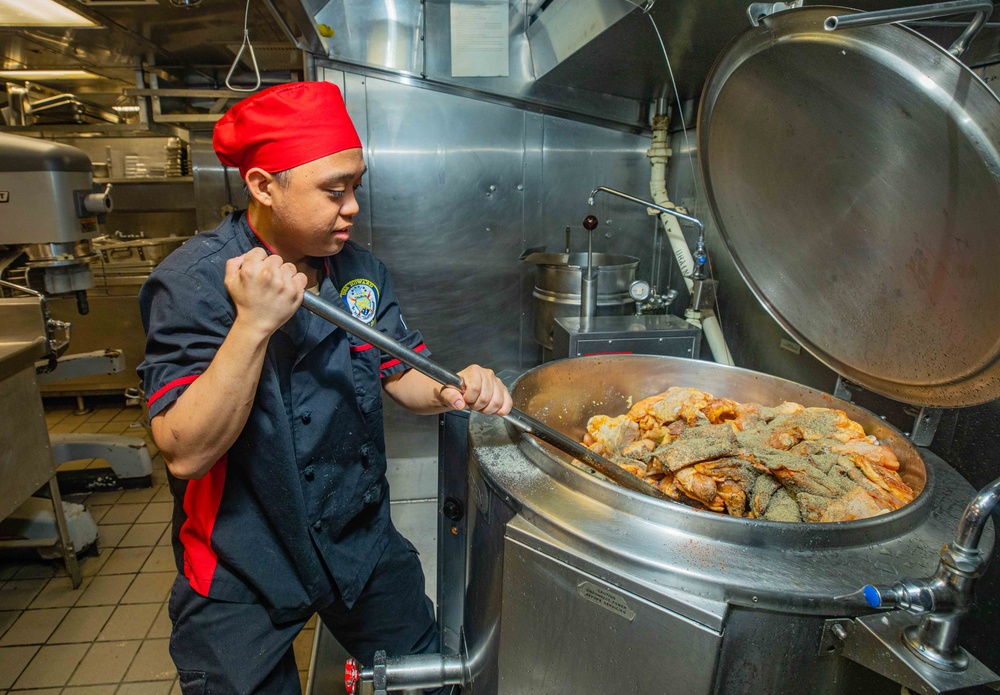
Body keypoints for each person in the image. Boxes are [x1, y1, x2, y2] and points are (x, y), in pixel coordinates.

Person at [137, 81, 512, 694]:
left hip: (357, 539)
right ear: (263, 186)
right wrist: (254, 324)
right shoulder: (194, 282)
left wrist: (454, 387)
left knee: (425, 680)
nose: (352, 207)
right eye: (332, 191)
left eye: (355, 186)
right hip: (243, 561)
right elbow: (186, 449)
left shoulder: (359, 272)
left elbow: (402, 373)